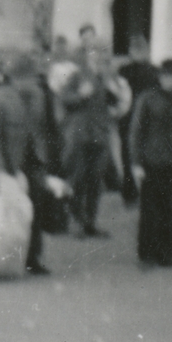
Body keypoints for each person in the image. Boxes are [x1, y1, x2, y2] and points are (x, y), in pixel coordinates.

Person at [0, 54, 53, 275]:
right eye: (27, 78)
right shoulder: (0, 98)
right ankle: (8, 257)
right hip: (11, 162)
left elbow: (44, 127)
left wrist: (47, 158)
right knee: (11, 212)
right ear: (14, 78)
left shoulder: (39, 95)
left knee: (36, 208)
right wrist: (3, 168)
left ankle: (33, 258)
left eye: (33, 78)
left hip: (35, 159)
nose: (33, 82)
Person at [130, 59, 172, 267]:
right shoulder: (147, 98)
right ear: (161, 77)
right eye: (168, 77)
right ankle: (146, 255)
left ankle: (167, 254)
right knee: (149, 208)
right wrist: (136, 163)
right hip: (151, 159)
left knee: (168, 209)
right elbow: (136, 131)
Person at [59, 43, 118, 238]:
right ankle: (77, 221)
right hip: (80, 134)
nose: (100, 59)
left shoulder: (108, 77)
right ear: (89, 56)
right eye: (96, 54)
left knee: (96, 180)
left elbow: (115, 103)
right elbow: (64, 99)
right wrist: (80, 95)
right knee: (78, 178)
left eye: (103, 55)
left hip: (100, 135)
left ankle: (91, 223)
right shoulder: (77, 75)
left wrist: (113, 90)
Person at [116, 34, 159, 205]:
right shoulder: (124, 71)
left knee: (142, 155)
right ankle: (130, 192)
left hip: (145, 119)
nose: (138, 52)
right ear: (130, 51)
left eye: (141, 49)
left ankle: (138, 192)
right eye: (135, 49)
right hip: (129, 118)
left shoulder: (153, 71)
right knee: (128, 155)